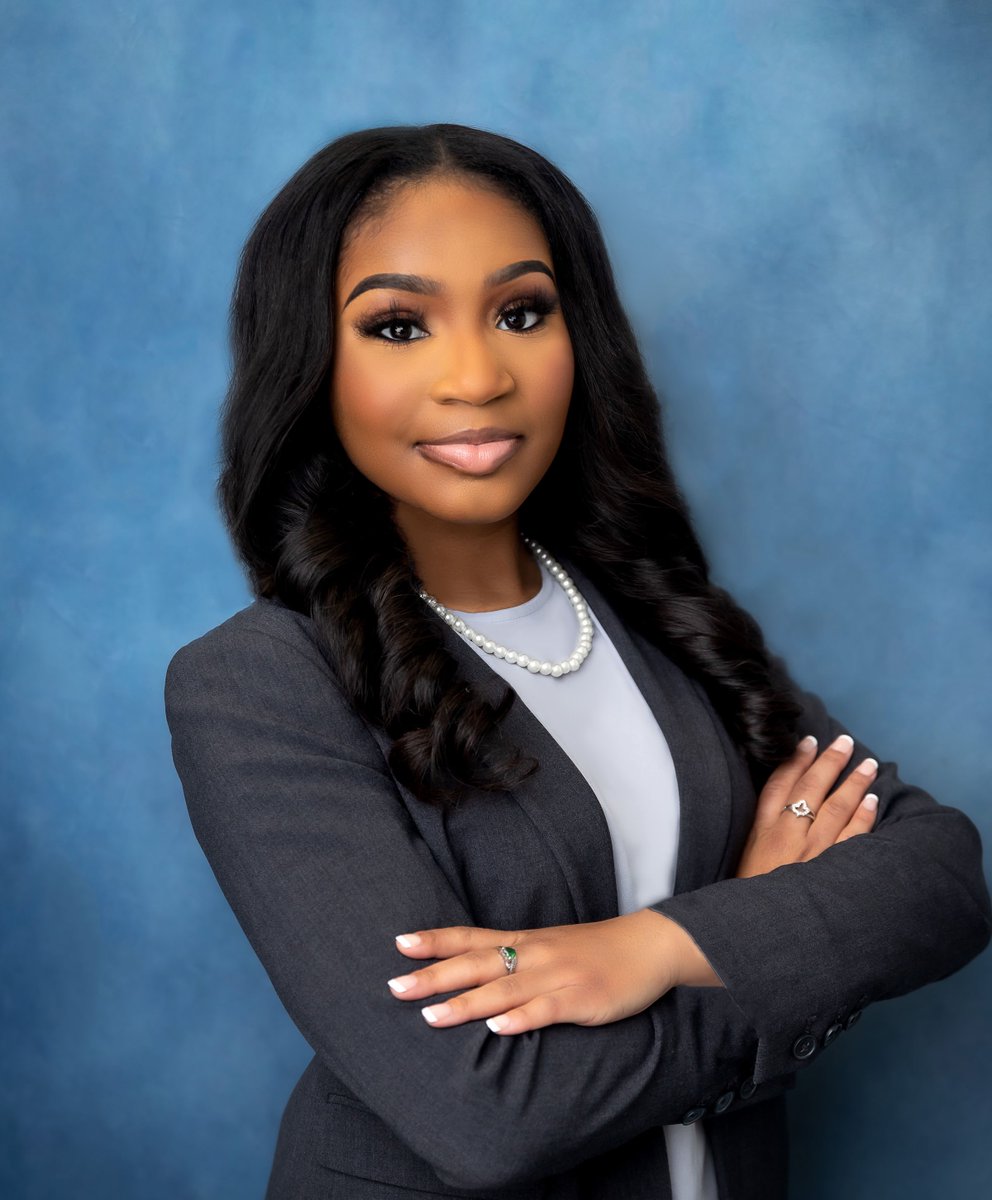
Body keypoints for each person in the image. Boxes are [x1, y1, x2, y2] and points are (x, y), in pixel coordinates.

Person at [164, 123, 991, 1200]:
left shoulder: (660, 620)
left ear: (577, 336)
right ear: (312, 365)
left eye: (520, 312)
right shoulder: (262, 683)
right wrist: (768, 958)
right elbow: (485, 1113)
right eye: (398, 325)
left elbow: (937, 875)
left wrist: (650, 948)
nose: (475, 375)